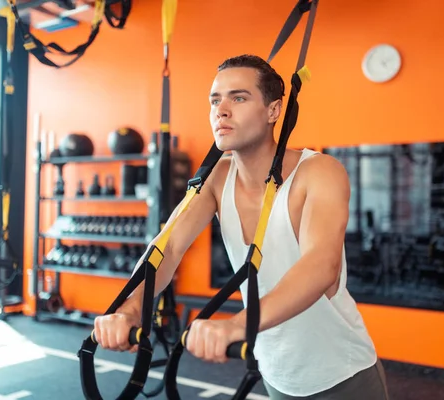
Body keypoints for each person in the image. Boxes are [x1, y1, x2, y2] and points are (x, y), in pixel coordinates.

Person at [93, 54, 389, 399]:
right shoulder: (217, 178)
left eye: (239, 97)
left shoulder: (320, 172)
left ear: (273, 111)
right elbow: (168, 247)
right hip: (275, 372)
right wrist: (131, 308)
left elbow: (321, 266)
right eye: (215, 100)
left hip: (343, 371)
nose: (221, 110)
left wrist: (236, 325)